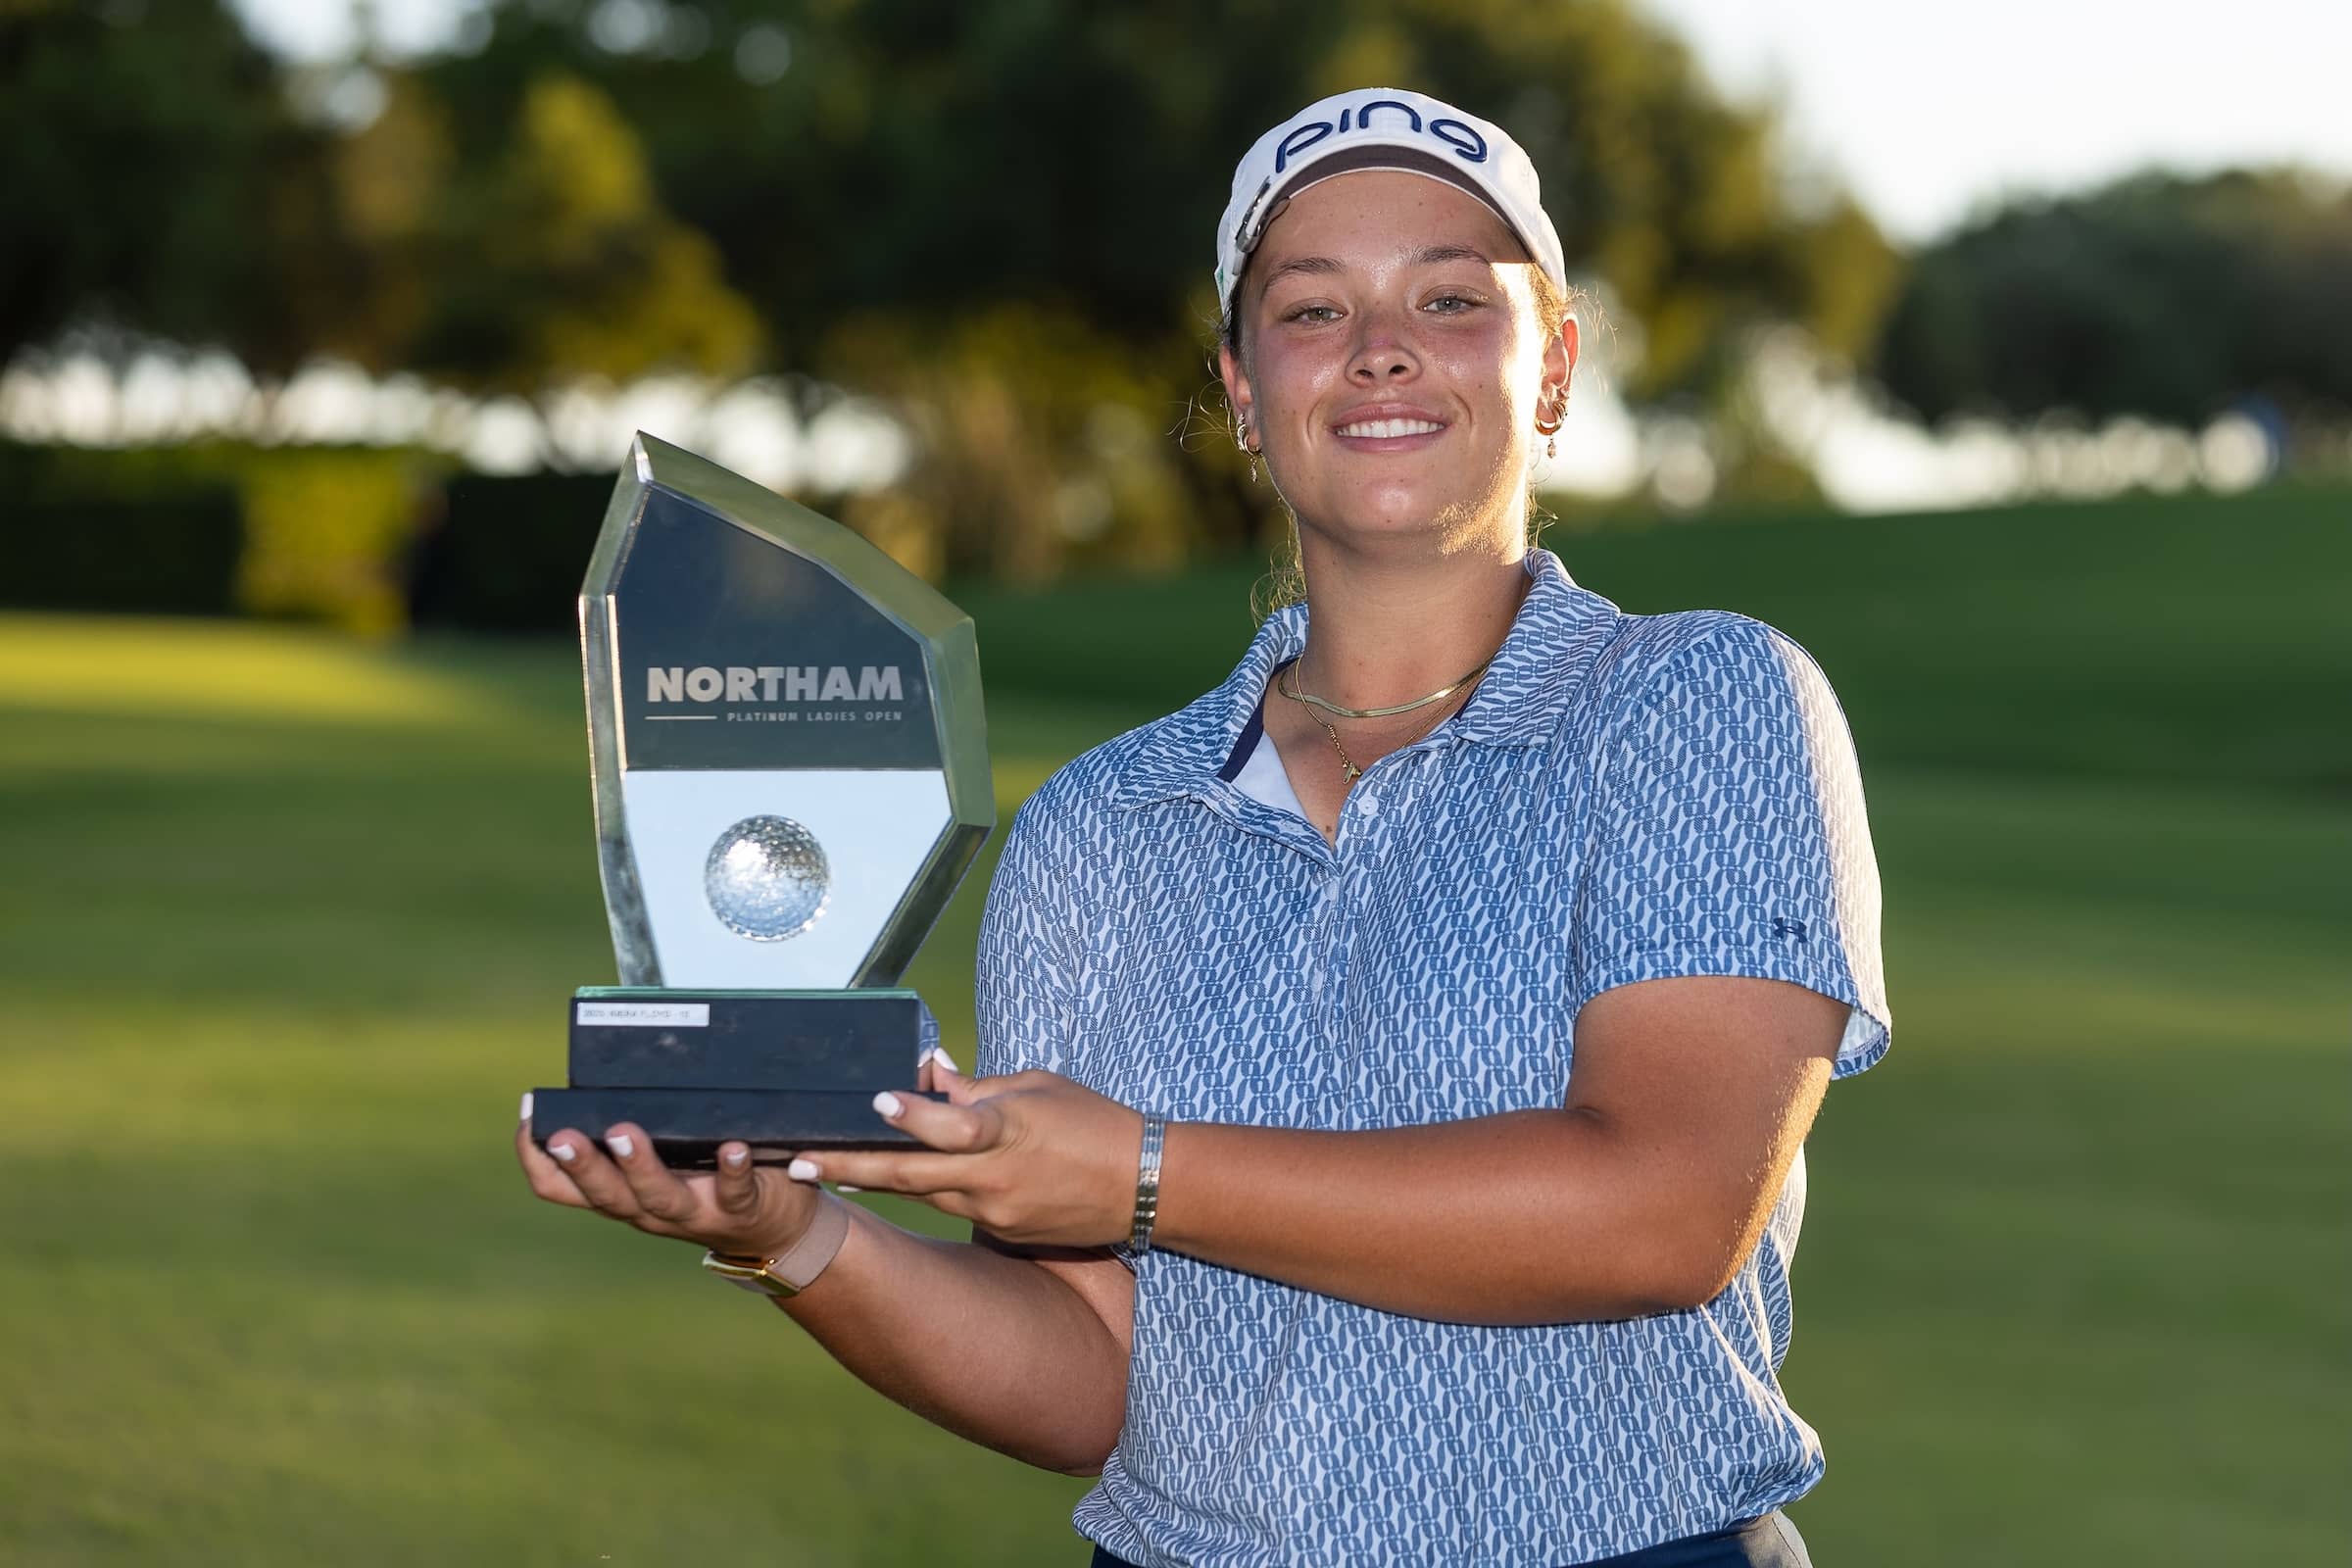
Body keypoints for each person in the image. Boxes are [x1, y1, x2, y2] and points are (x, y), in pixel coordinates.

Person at [516, 86, 1889, 1568]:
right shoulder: (1101, 827)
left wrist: (1147, 1171)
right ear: (1241, 387)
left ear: (1551, 363)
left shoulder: (1701, 699)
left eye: (1449, 294)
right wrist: (792, 1239)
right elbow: (1091, 1373)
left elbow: (1664, 1210)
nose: (1382, 346)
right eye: (1311, 309)